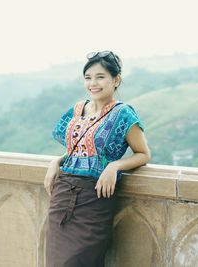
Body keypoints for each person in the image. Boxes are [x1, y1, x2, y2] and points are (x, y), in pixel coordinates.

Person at [44, 50, 151, 267]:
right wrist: (57, 161)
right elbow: (80, 149)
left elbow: (143, 154)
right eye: (88, 78)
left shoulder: (123, 114)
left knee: (79, 261)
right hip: (63, 194)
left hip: (94, 199)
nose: (93, 83)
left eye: (100, 77)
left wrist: (115, 166)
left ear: (116, 79)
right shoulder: (77, 110)